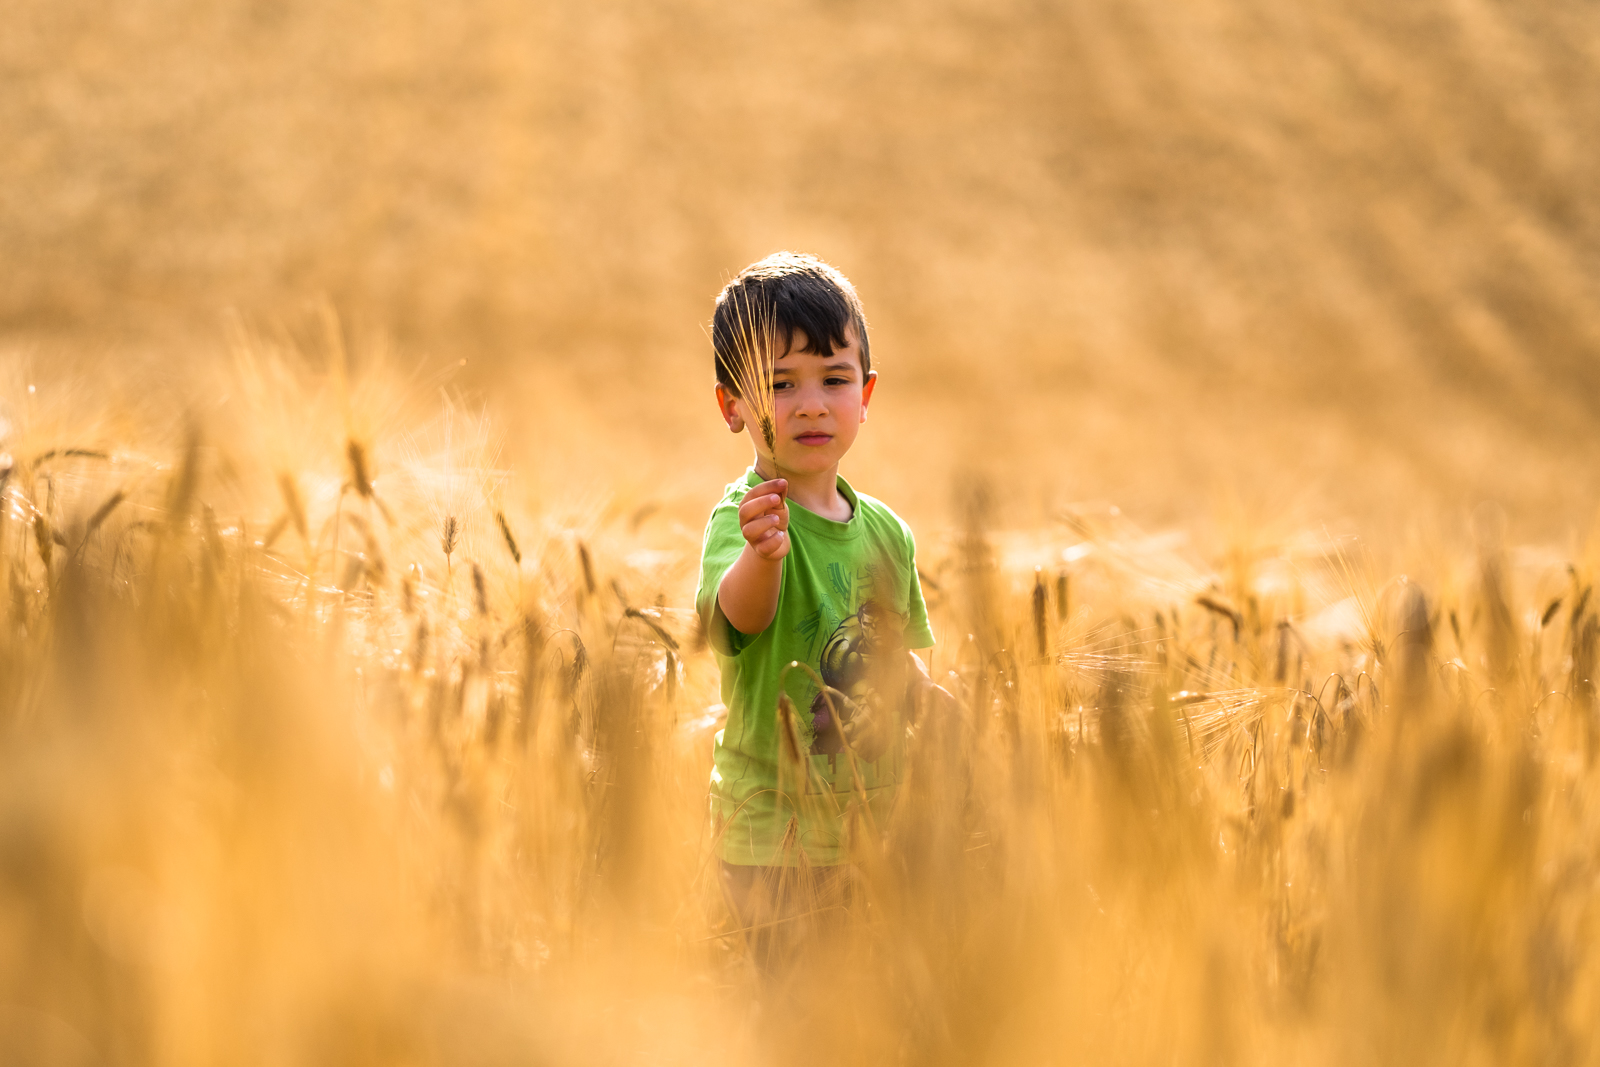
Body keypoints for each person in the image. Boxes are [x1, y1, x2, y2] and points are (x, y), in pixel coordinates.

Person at [694, 251, 942, 970]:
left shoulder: (887, 534)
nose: (809, 404)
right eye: (779, 384)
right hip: (770, 840)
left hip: (873, 832)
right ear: (732, 405)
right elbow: (734, 622)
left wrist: (934, 705)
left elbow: (891, 663)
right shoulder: (742, 522)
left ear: (865, 395)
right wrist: (760, 558)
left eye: (833, 380)